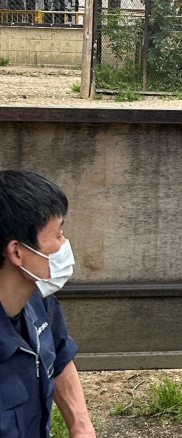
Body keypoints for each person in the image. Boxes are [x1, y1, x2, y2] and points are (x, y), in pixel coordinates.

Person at [0, 171, 95, 438]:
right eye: (58, 235)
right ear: (17, 252)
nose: (65, 246)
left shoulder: (37, 299)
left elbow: (60, 355)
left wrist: (81, 426)